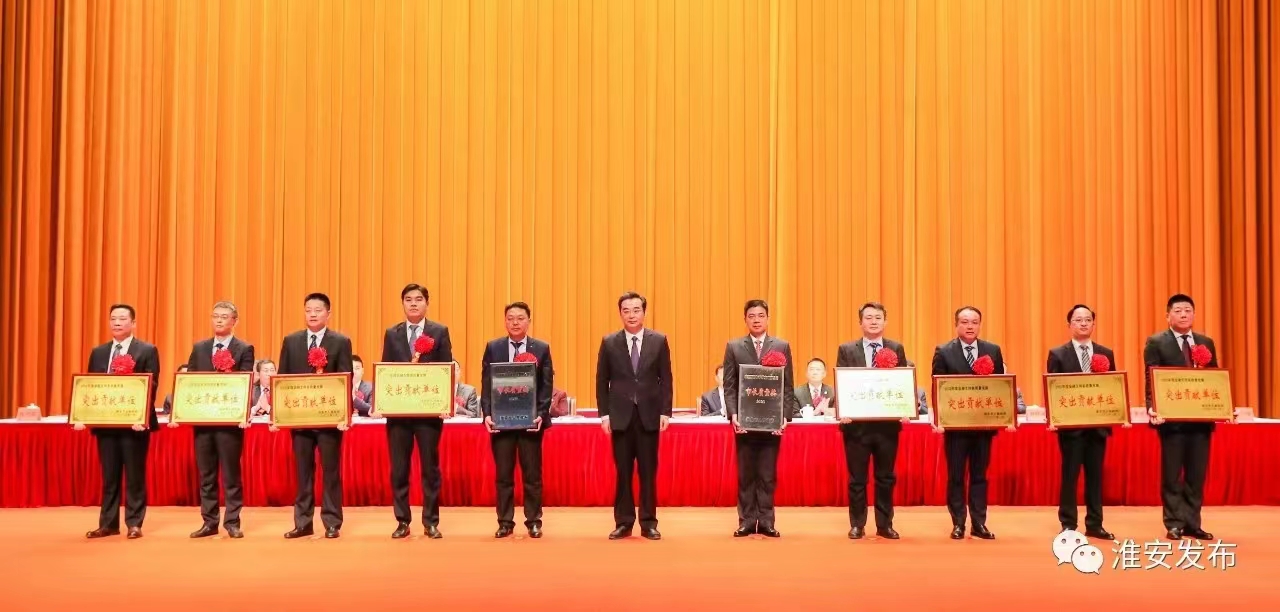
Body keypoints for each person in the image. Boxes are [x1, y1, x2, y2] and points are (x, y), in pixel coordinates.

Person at [377, 283, 454, 539]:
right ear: (403, 303)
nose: (413, 303)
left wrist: (445, 403)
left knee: (430, 469)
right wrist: (383, 403)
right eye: (408, 299)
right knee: (399, 469)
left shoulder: (439, 332)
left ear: (426, 303)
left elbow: (445, 369)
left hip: (428, 415)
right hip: (399, 415)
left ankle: (430, 521)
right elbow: (386, 370)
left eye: (418, 299)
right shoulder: (392, 333)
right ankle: (402, 520)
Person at [595, 292, 674, 540]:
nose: (631, 315)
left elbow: (666, 379)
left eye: (636, 310)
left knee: (648, 472)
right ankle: (624, 522)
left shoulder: (658, 340)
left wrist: (665, 411)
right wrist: (604, 415)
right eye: (626, 310)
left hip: (649, 416)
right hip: (620, 417)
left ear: (644, 312)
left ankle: (649, 522)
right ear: (620, 313)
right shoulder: (609, 342)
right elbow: (601, 381)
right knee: (623, 472)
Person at [173, 301, 255, 539]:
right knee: (206, 475)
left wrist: (243, 413)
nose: (219, 320)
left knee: (231, 475)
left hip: (229, 424)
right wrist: (181, 411)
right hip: (203, 422)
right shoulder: (200, 348)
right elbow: (190, 382)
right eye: (215, 316)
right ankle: (209, 522)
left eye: (224, 316)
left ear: (234, 321)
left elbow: (247, 382)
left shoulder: (244, 348)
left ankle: (232, 522)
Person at [276, 292, 354, 539]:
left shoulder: (340, 342)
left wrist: (344, 415)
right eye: (308, 310)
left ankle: (332, 522)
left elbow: (346, 379)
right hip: (300, 419)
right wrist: (279, 415)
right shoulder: (291, 341)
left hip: (329, 419)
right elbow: (282, 379)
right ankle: (303, 523)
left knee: (330, 472)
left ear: (328, 313)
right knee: (303, 472)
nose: (312, 314)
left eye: (318, 310)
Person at [81, 304, 161, 540]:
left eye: (122, 319)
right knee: (109, 476)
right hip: (106, 425)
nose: (117, 322)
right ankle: (108, 524)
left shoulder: (146, 350)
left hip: (134, 425)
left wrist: (141, 416)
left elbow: (152, 385)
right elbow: (90, 386)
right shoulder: (99, 352)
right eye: (113, 318)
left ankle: (134, 523)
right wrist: (84, 415)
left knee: (135, 475)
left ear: (133, 323)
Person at [1144, 294, 1219, 541]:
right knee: (1172, 475)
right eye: (1178, 310)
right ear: (1168, 316)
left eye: (1188, 310)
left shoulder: (1206, 342)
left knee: (1196, 475)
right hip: (1172, 421)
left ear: (1194, 314)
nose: (1184, 314)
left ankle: (1193, 523)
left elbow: (1215, 379)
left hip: (1200, 421)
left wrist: (1222, 407)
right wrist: (1152, 408)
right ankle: (1174, 523)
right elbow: (1150, 378)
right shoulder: (1156, 342)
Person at [722, 299, 799, 538]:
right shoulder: (734, 346)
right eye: (752, 316)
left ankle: (766, 521)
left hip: (771, 423)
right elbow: (729, 385)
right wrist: (733, 415)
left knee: (767, 474)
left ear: (768, 318)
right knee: (746, 475)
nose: (756, 320)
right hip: (744, 423)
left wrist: (784, 417)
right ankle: (746, 521)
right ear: (745, 319)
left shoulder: (781, 346)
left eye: (761, 315)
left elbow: (788, 386)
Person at [932, 306, 1007, 540]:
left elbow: (1000, 386)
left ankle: (979, 523)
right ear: (956, 325)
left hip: (983, 426)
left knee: (979, 476)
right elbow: (937, 387)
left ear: (980, 325)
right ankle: (958, 523)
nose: (970, 326)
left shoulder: (992, 350)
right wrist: (939, 419)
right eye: (964, 322)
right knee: (956, 476)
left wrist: (1005, 416)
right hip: (955, 428)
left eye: (974, 322)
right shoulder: (944, 352)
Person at [834, 302, 908, 540]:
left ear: (885, 321)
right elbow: (842, 383)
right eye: (868, 317)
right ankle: (857, 524)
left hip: (887, 427)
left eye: (878, 317)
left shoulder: (896, 348)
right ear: (860, 322)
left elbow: (902, 382)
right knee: (857, 479)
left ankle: (885, 525)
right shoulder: (847, 349)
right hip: (856, 427)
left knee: (886, 478)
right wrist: (843, 409)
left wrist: (905, 407)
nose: (873, 321)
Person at [480, 302, 554, 538]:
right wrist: (487, 414)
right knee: (503, 476)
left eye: (520, 318)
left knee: (532, 476)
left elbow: (546, 386)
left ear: (528, 321)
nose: (515, 322)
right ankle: (505, 522)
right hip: (501, 423)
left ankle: (533, 521)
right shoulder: (494, 347)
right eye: (510, 318)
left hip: (530, 422)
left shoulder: (541, 348)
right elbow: (486, 383)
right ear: (505, 321)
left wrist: (541, 414)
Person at [1046, 304, 1118, 540]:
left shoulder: (1106, 353)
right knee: (1070, 476)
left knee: (1095, 478)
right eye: (1078, 320)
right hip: (1071, 429)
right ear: (1070, 325)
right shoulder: (1058, 354)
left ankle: (1095, 524)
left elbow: (1113, 387)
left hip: (1097, 428)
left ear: (1093, 324)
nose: (1084, 323)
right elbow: (1053, 389)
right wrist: (1055, 417)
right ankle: (1068, 524)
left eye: (1088, 319)